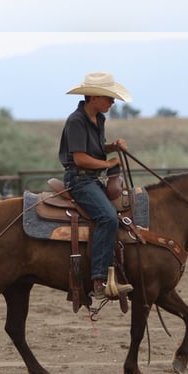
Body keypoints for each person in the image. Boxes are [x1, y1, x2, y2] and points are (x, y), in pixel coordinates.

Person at [58, 71, 135, 304]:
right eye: (109, 98)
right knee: (108, 218)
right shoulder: (76, 121)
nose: (112, 102)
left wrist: (112, 146)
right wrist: (108, 163)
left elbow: (96, 148)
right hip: (79, 180)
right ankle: (99, 280)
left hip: (91, 179)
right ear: (93, 97)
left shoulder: (98, 119)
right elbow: (80, 158)